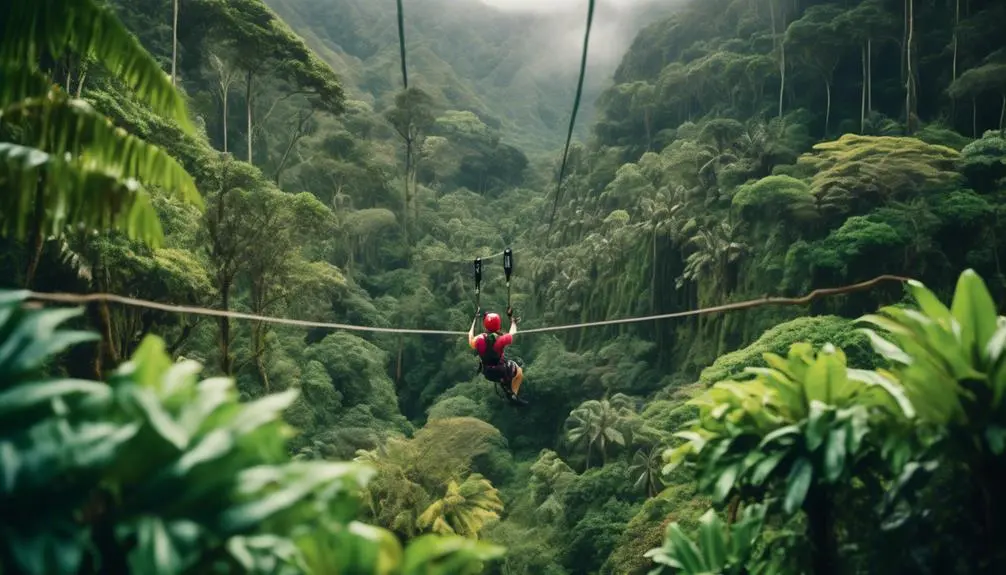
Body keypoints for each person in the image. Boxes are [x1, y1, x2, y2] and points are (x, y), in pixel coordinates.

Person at [469, 307, 527, 405]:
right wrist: (512, 321)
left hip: (487, 372)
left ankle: (507, 388)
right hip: (501, 371)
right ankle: (513, 394)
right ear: (498, 325)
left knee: (502, 369)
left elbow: (470, 337)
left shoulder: (479, 339)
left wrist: (474, 321)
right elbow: (513, 333)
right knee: (519, 372)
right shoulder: (501, 339)